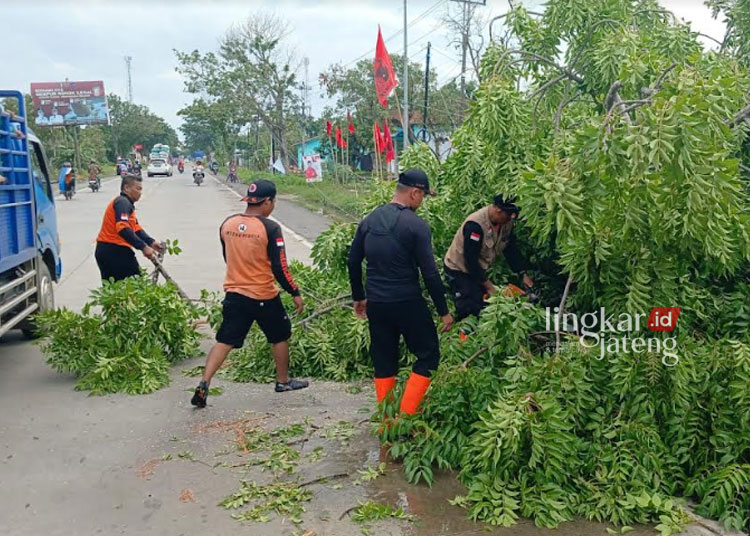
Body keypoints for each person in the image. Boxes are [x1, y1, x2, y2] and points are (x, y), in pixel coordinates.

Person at [191, 179, 309, 408]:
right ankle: (283, 381)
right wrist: (295, 291)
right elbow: (280, 267)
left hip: (234, 293)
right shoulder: (270, 227)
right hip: (263, 294)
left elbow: (228, 257)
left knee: (225, 340)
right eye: (273, 202)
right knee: (280, 335)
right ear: (267, 202)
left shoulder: (228, 224)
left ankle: (204, 383)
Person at [347, 168, 453, 415]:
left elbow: (353, 261)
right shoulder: (416, 226)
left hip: (377, 304)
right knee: (428, 354)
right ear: (415, 193)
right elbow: (429, 273)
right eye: (423, 196)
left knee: (384, 361)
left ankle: (387, 419)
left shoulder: (369, 221)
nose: (422, 201)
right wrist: (443, 311)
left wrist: (359, 297)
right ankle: (406, 415)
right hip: (407, 302)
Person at [443, 194, 534, 321]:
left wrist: (522, 273)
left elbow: (510, 249)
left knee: (482, 301)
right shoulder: (475, 225)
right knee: (469, 307)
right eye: (509, 215)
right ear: (498, 209)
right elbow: (470, 261)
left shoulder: (506, 223)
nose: (511, 218)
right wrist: (489, 286)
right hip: (459, 269)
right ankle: (464, 334)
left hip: (478, 268)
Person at [95, 174, 164, 281]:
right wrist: (143, 247)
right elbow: (122, 228)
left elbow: (135, 228)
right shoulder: (122, 202)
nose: (140, 193)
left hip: (110, 250)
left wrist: (151, 242)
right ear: (126, 188)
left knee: (118, 290)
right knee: (135, 285)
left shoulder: (127, 204)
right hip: (113, 250)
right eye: (138, 189)